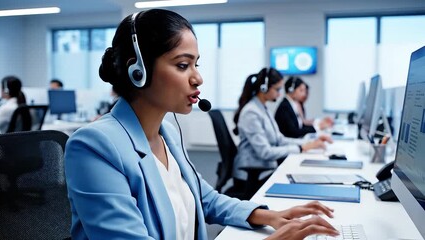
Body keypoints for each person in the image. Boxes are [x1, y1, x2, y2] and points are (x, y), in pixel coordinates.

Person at [64, 9, 339, 240]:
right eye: (183, 65)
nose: (198, 78)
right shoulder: (94, 146)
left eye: (196, 64)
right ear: (139, 71)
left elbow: (205, 199)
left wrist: (269, 215)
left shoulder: (167, 133)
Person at [232, 68, 333, 193]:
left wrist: (307, 144)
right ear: (264, 88)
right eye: (277, 89)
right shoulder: (251, 112)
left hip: (263, 167)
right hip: (252, 172)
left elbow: (279, 139)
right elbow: (266, 152)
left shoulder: (263, 108)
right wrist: (302, 148)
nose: (280, 94)